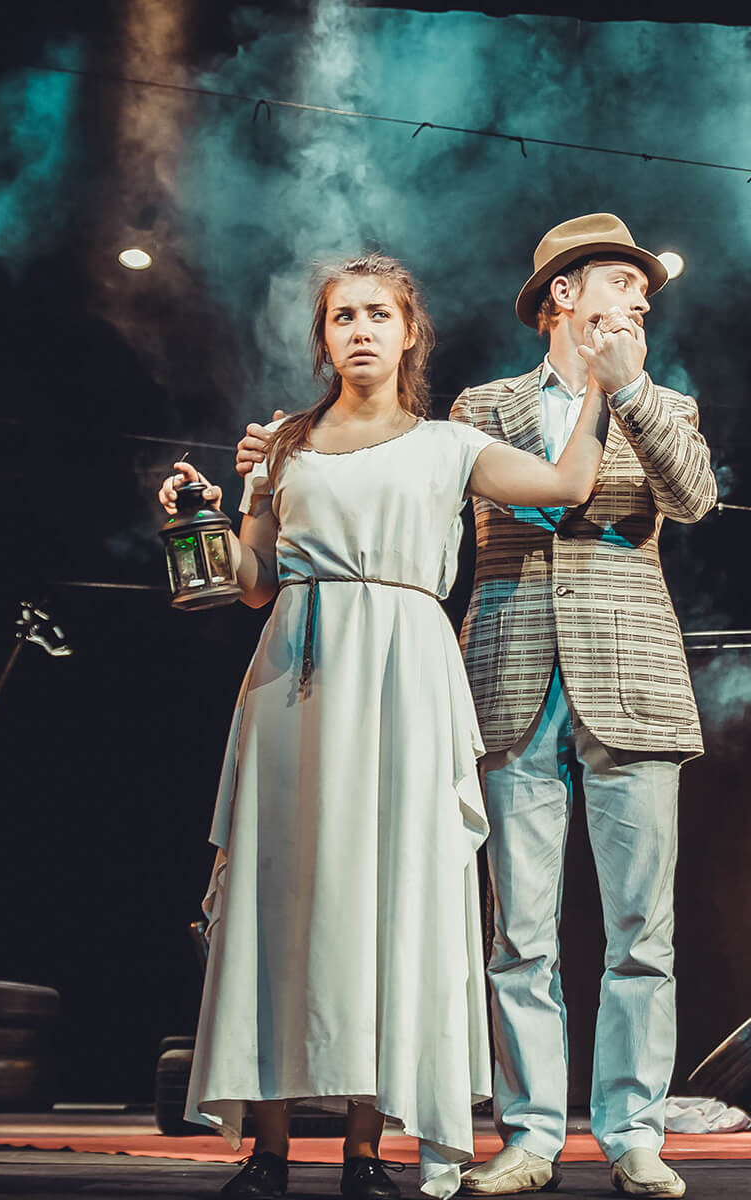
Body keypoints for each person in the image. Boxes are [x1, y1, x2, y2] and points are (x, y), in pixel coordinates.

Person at [235, 214, 714, 1199]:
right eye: (619, 282)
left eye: (641, 287)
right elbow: (533, 501)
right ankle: (531, 1132)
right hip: (510, 672)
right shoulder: (480, 409)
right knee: (520, 934)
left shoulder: (669, 403)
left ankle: (633, 1134)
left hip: (632, 681)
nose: (637, 298)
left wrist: (623, 388)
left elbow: (693, 498)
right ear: (562, 299)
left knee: (642, 934)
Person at [158, 252, 625, 1200]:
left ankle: (368, 1148)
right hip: (298, 675)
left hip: (408, 676)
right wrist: (204, 511)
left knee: (390, 897)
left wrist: (604, 392)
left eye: (378, 314)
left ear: (410, 332)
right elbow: (251, 583)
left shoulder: (449, 444)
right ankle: (270, 1148)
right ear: (324, 337)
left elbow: (569, 486)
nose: (361, 329)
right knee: (281, 895)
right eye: (342, 317)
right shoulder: (282, 446)